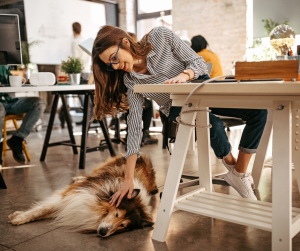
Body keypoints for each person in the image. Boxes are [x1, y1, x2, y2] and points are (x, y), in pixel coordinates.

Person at [91, 25, 267, 206]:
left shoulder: (160, 36)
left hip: (203, 88)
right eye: (110, 65)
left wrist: (184, 75)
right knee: (212, 123)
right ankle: (234, 168)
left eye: (114, 58)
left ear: (125, 42)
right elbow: (135, 127)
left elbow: (198, 62)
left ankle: (239, 172)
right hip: (175, 105)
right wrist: (128, 178)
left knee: (260, 111)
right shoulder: (130, 80)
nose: (115, 65)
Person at [0, 66, 46, 164]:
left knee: (39, 103)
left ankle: (17, 139)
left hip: (10, 101)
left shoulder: (4, 64)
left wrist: (23, 82)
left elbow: (11, 82)